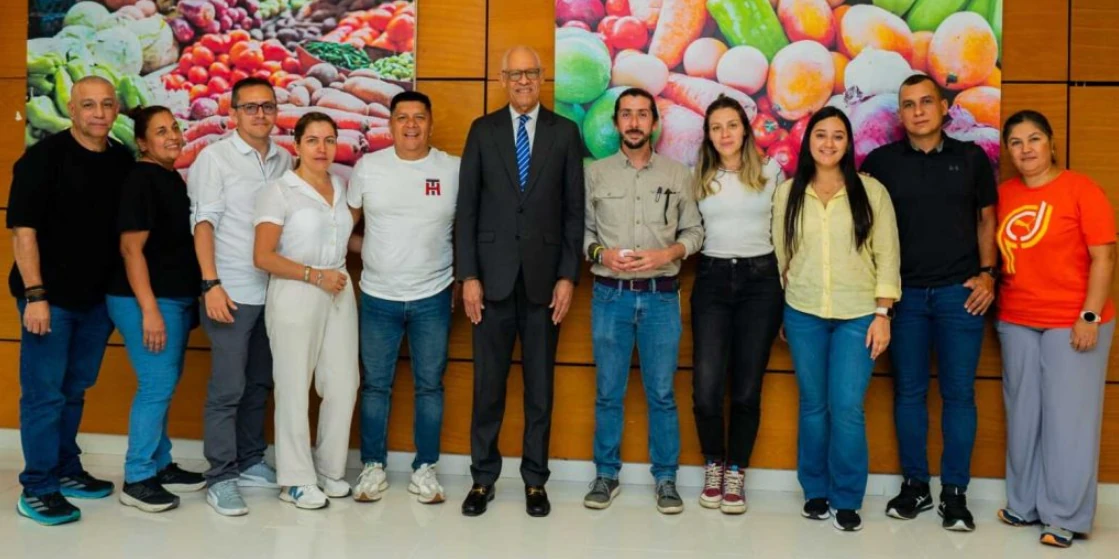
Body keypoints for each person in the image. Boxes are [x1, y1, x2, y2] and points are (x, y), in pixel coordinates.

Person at [861, 73, 997, 532]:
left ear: (944, 107)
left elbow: (986, 221)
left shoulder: (972, 158)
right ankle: (916, 485)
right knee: (909, 394)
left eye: (925, 102)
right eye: (907, 105)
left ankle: (955, 493)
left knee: (959, 395)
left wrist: (988, 274)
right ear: (899, 114)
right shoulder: (880, 162)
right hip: (905, 299)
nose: (917, 111)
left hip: (961, 297)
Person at [455, 45, 585, 518]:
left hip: (544, 286)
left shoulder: (565, 133)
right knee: (487, 388)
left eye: (531, 72)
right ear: (502, 78)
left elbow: (575, 213)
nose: (524, 80)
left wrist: (569, 276)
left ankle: (535, 480)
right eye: (515, 73)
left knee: (540, 391)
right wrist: (468, 275)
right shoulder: (482, 130)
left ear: (542, 76)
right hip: (489, 284)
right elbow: (466, 210)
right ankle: (482, 479)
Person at [9, 76, 133, 526]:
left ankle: (64, 468)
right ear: (71, 108)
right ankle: (38, 487)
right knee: (43, 395)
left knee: (74, 390)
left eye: (105, 104)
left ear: (116, 109)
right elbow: (24, 232)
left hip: (97, 302)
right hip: (49, 301)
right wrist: (36, 296)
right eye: (88, 105)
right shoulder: (42, 159)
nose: (98, 113)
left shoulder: (121, 159)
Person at [772, 107, 900, 532]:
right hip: (804, 311)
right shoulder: (788, 192)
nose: (829, 143)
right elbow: (781, 256)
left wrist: (882, 314)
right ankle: (816, 491)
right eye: (821, 135)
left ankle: (847, 497)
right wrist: (785, 308)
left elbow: (887, 256)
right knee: (813, 405)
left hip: (858, 314)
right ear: (808, 141)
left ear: (849, 144)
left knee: (846, 407)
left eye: (838, 136)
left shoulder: (871, 192)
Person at [994, 110, 1115, 549]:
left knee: (1070, 421)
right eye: (1016, 142)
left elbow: (1104, 257)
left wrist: (1089, 315)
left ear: (1051, 143)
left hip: (1073, 321)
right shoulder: (1004, 194)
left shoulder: (1082, 189)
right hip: (1016, 320)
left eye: (1034, 139)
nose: (1026, 149)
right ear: (1008, 150)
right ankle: (1024, 505)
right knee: (1024, 417)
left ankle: (1064, 516)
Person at [581, 87, 703, 515]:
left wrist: (668, 254)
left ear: (655, 123)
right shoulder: (595, 174)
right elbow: (582, 235)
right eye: (626, 115)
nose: (634, 123)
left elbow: (695, 233)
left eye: (642, 115)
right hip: (609, 297)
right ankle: (605, 474)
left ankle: (666, 479)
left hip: (661, 300)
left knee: (663, 394)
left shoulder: (677, 175)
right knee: (608, 393)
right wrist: (603, 255)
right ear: (616, 124)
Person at [348, 91, 459, 505]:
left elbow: (471, 231)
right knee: (375, 386)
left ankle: (424, 468)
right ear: (390, 124)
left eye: (419, 117)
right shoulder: (368, 168)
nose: (410, 125)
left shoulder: (452, 169)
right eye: (401, 118)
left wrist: (464, 280)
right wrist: (375, 251)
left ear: (430, 123)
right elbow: (344, 228)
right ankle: (372, 467)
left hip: (434, 295)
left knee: (430, 385)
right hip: (378, 296)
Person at [188, 77, 292, 516]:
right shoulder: (214, 158)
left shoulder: (285, 159)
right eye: (250, 107)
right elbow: (203, 223)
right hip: (229, 291)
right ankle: (221, 476)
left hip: (276, 293)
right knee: (228, 388)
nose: (260, 115)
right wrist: (211, 284)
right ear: (234, 113)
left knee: (259, 385)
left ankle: (250, 460)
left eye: (267, 106)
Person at [253, 112, 358, 510]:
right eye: (312, 140)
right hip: (297, 291)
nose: (322, 148)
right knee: (294, 386)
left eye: (329, 140)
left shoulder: (341, 185)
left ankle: (329, 469)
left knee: (344, 383)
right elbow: (262, 256)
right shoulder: (279, 191)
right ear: (296, 145)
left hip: (339, 290)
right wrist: (315, 276)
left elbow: (347, 240)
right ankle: (295, 479)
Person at [106, 106, 206, 513]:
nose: (174, 136)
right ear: (142, 143)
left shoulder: (169, 178)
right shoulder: (140, 180)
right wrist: (150, 310)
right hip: (144, 300)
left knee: (164, 384)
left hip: (175, 298)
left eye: (176, 128)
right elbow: (131, 250)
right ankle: (138, 476)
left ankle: (161, 464)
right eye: (161, 131)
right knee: (156, 386)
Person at [689, 95, 785, 515]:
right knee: (707, 388)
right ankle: (714, 462)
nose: (725, 133)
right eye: (716, 127)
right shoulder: (699, 176)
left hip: (760, 283)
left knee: (746, 388)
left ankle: (736, 472)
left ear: (745, 129)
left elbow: (785, 235)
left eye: (732, 125)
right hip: (711, 281)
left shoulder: (771, 172)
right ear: (708, 135)